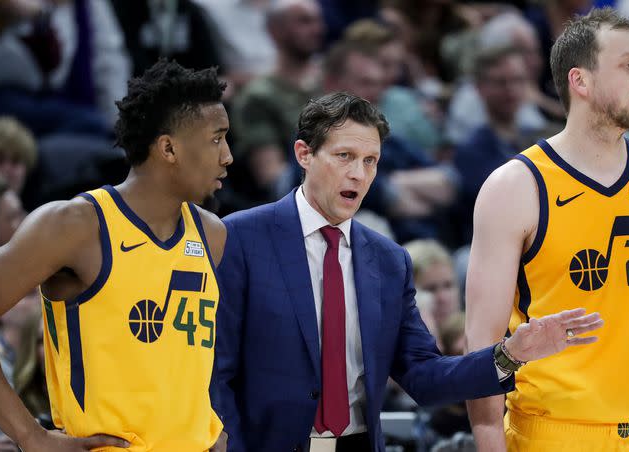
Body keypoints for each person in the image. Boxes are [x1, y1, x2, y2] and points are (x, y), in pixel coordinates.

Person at [213, 92, 604, 452]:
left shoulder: (387, 260)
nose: (359, 175)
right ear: (304, 154)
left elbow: (423, 376)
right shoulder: (241, 237)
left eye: (370, 162)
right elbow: (216, 371)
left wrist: (509, 354)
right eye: (344, 156)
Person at [464, 7, 629, 452]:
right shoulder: (515, 185)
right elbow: (482, 345)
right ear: (580, 81)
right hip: (553, 434)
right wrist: (489, 441)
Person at [0, 59, 232, 451]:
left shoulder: (211, 234)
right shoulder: (76, 225)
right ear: (168, 148)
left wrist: (210, 424)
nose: (228, 156)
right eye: (216, 139)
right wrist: (30, 436)